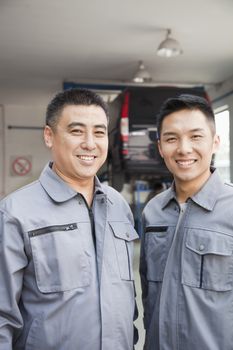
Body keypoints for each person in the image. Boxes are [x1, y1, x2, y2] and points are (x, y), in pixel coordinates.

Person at [0, 88, 139, 350]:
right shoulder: (15, 213)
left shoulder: (118, 205)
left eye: (99, 132)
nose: (90, 143)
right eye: (76, 131)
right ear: (49, 136)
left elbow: (126, 300)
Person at [140, 94, 233, 350]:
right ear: (160, 147)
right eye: (172, 138)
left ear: (215, 142)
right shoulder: (153, 212)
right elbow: (149, 296)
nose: (183, 148)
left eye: (195, 136)